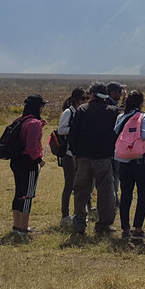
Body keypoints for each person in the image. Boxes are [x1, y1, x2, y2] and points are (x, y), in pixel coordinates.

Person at [67, 82, 120, 236]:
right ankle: (103, 225)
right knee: (106, 193)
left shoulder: (82, 110)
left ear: (92, 94)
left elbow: (73, 134)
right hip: (104, 158)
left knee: (81, 192)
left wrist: (75, 153)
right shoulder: (113, 111)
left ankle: (79, 226)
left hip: (83, 158)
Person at [116, 90, 145, 239]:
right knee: (142, 194)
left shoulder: (121, 116)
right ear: (141, 102)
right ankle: (138, 229)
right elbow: (144, 135)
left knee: (126, 195)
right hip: (141, 160)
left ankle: (125, 229)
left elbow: (116, 132)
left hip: (124, 160)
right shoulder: (143, 117)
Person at [10, 94, 47, 235]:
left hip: (17, 160)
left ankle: (17, 225)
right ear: (38, 107)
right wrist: (39, 160)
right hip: (29, 162)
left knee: (19, 192)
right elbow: (32, 145)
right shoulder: (34, 123)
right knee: (28, 195)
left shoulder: (21, 119)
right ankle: (23, 228)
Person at [57, 87, 86, 228]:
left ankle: (77, 214)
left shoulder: (80, 113)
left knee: (79, 185)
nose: (85, 101)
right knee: (69, 185)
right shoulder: (68, 112)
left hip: (78, 154)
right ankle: (65, 215)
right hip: (68, 155)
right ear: (75, 100)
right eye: (83, 99)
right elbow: (61, 130)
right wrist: (76, 129)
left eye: (87, 98)